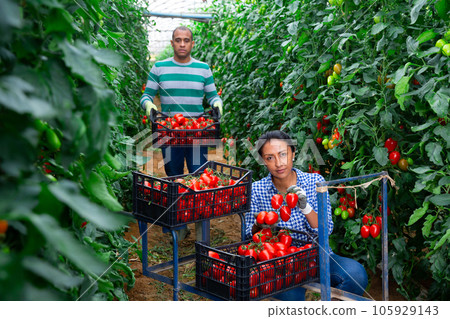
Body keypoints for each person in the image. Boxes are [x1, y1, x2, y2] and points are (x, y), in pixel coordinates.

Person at [245, 130, 368, 300]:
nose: (279, 163)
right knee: (292, 300)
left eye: (283, 154)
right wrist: (260, 225)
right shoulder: (257, 190)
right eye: (270, 158)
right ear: (263, 161)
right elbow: (248, 235)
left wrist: (306, 207)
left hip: (317, 256)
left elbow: (326, 229)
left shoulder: (314, 182)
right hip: (281, 263)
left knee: (356, 274)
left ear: (293, 154)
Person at [140, 26, 223, 241]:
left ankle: (199, 225)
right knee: (174, 177)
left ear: (192, 43)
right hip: (170, 132)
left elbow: (213, 96)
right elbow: (146, 95)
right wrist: (150, 107)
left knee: (200, 178)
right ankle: (179, 224)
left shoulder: (203, 69)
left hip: (197, 133)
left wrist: (217, 105)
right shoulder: (159, 68)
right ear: (172, 43)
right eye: (178, 40)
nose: (182, 44)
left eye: (186, 40)